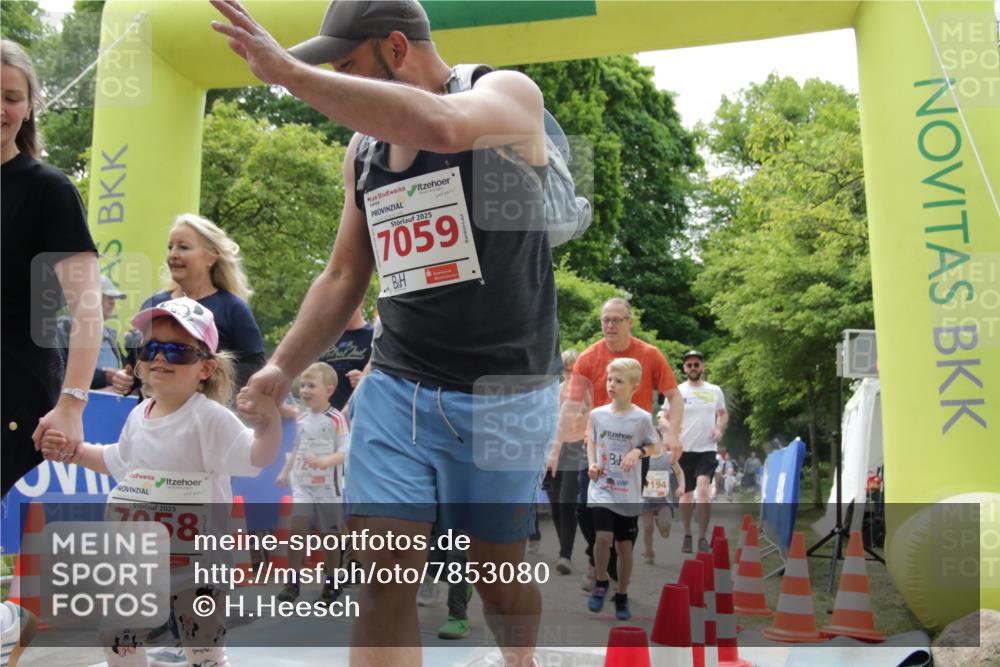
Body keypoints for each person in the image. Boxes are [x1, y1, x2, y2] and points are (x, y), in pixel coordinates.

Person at [210, 1, 561, 665]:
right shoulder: (363, 152)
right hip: (397, 389)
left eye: (348, 71)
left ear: (397, 50)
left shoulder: (506, 94)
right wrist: (279, 369)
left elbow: (444, 125)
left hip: (504, 393)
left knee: (497, 578)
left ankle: (522, 657)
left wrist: (287, 74)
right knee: (384, 572)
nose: (339, 93)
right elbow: (345, 273)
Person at [40, 297, 281, 667]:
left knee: (202, 650)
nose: (161, 358)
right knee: (116, 634)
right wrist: (73, 451)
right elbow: (117, 461)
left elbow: (256, 459)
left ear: (205, 368)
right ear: (138, 361)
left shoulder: (211, 418)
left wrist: (269, 425)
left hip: (198, 564)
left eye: (178, 351)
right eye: (150, 348)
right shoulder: (139, 415)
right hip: (143, 561)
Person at [1, 37, 103, 667]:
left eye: (11, 98)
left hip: (12, 379)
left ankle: (15, 620)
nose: (0, 109)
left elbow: (85, 305)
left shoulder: (46, 189)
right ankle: (14, 620)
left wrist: (72, 402)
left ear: (31, 106)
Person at [558, 298, 683, 590]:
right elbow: (572, 403)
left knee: (625, 512)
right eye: (605, 320)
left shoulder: (649, 355)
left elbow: (674, 396)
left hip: (635, 450)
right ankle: (598, 558)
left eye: (616, 319)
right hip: (597, 446)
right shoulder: (589, 357)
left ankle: (610, 567)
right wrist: (553, 441)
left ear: (630, 322)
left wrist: (673, 433)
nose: (610, 325)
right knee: (583, 507)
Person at [111, 213, 265, 400]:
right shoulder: (154, 304)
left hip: (207, 422)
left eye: (183, 247)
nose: (173, 255)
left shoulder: (233, 308)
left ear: (211, 257)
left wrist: (203, 385)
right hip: (153, 420)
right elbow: (139, 368)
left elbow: (253, 369)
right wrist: (126, 380)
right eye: (170, 247)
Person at [585, 358, 662, 621]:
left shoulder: (641, 418)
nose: (612, 385)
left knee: (624, 546)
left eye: (619, 381)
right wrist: (592, 463)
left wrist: (639, 451)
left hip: (628, 492)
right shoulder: (597, 415)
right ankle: (600, 581)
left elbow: (656, 446)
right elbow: (592, 441)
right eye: (609, 380)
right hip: (602, 488)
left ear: (633, 387)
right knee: (603, 538)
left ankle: (622, 594)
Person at [276, 362, 350, 603]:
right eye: (303, 385)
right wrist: (286, 470)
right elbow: (298, 447)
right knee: (297, 529)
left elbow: (345, 450)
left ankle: (331, 582)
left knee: (330, 535)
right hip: (303, 485)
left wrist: (325, 461)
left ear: (328, 390)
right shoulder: (302, 419)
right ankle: (292, 583)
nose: (305, 391)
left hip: (329, 486)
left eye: (311, 386)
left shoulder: (336, 419)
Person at [662, 350, 728, 554]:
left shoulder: (714, 390)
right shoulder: (677, 391)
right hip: (683, 449)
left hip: (706, 449)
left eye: (696, 364)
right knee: (686, 494)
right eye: (689, 365)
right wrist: (672, 429)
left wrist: (719, 429)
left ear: (702, 367)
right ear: (684, 369)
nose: (693, 368)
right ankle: (688, 534)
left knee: (703, 489)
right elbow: (663, 416)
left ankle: (702, 537)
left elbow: (723, 414)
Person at [546, 349, 587, 575]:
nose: (570, 374)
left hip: (576, 448)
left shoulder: (587, 393)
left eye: (574, 369)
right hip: (553, 450)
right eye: (566, 369)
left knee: (566, 501)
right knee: (555, 504)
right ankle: (564, 547)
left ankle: (565, 554)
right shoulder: (556, 392)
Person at [56, 276, 127, 389]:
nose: (112, 303)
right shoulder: (63, 329)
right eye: (107, 297)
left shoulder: (111, 336)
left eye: (113, 298)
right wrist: (105, 377)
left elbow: (125, 372)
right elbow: (60, 371)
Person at [318, 307, 374, 411]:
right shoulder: (327, 337)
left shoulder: (374, 336)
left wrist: (365, 380)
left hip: (359, 413)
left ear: (361, 301)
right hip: (326, 417)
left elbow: (383, 377)